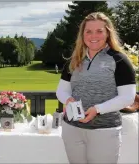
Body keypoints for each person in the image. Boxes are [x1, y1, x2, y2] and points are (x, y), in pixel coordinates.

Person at [56, 12, 136, 164]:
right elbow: (61, 90)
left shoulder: (119, 60)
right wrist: (68, 99)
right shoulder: (74, 60)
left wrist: (97, 109)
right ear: (82, 34)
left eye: (99, 31)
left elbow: (127, 97)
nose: (94, 35)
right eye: (89, 31)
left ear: (107, 33)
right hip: (72, 129)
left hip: (105, 130)